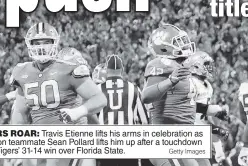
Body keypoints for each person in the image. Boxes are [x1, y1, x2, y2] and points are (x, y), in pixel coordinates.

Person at [10, 23, 107, 166]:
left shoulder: (68, 68)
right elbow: (19, 112)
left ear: (54, 43)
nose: (41, 47)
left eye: (46, 42)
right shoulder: (21, 72)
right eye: (37, 43)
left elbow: (99, 98)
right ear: (29, 44)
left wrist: (78, 112)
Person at [141, 24, 198, 166]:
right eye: (178, 42)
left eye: (184, 41)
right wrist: (170, 81)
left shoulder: (180, 66)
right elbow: (146, 96)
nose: (184, 45)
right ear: (163, 47)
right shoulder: (161, 63)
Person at [97, 54, 148, 166]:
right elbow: (144, 121)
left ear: (106, 69)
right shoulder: (133, 89)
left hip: (105, 144)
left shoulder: (98, 89)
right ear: (122, 69)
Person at [184, 51, 229, 166]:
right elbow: (189, 107)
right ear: (196, 67)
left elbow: (203, 117)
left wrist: (215, 128)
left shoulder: (207, 85)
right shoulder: (190, 83)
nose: (210, 67)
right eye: (206, 64)